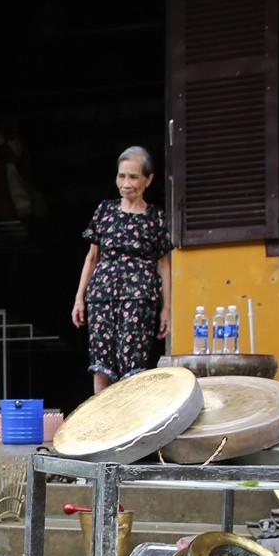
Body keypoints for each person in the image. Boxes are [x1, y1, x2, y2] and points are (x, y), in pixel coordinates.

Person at [71, 146, 172, 394]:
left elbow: (163, 264)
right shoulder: (105, 211)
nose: (126, 183)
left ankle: (128, 425)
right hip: (102, 296)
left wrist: (166, 308)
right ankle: (103, 427)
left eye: (133, 177)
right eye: (121, 176)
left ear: (148, 180)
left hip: (139, 298)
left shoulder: (156, 218)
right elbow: (92, 257)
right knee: (101, 365)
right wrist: (79, 298)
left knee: (132, 367)